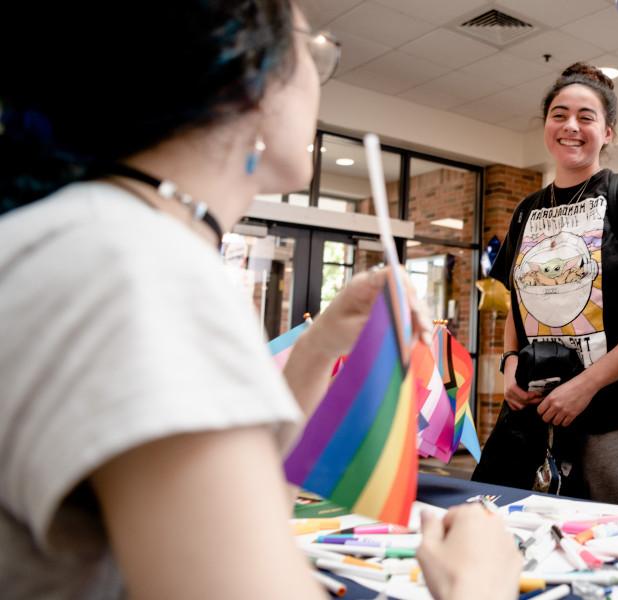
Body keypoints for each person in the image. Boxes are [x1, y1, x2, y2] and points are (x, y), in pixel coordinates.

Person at [0, 3, 520, 599]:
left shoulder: (88, 236)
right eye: (312, 53)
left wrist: (323, 342)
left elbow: (237, 500)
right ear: (250, 78)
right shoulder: (143, 269)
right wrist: (480, 585)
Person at [474, 63, 618, 508]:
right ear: (546, 125)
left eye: (586, 117)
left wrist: (586, 385)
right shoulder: (526, 210)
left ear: (607, 132)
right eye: (559, 114)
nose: (571, 126)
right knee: (535, 529)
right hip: (542, 406)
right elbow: (518, 302)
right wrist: (511, 363)